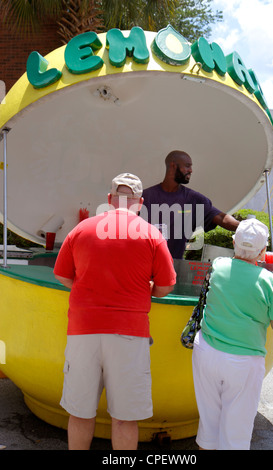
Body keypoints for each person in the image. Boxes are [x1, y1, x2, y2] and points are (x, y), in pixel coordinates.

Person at [53, 173, 176, 450]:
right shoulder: (151, 234)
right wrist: (147, 290)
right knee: (124, 419)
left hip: (83, 331)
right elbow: (166, 286)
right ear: (140, 203)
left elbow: (62, 275)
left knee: (80, 413)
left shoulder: (82, 230)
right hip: (129, 335)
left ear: (109, 200)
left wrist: (85, 286)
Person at [192, 218, 273, 450]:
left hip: (206, 352)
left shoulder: (218, 265)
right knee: (235, 434)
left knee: (208, 427)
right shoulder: (269, 282)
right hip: (244, 362)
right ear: (263, 250)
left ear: (234, 241)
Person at [141, 150, 239, 259]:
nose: (191, 170)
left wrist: (246, 227)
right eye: (187, 166)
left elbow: (221, 217)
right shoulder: (145, 197)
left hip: (172, 269)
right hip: (142, 268)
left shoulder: (193, 199)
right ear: (173, 165)